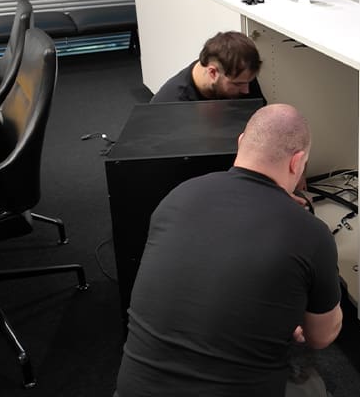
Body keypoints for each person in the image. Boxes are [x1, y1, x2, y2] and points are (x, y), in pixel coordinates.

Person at [115, 104, 343, 397]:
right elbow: (321, 336)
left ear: (240, 143)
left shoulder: (178, 196)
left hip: (133, 391)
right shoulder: (310, 233)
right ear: (296, 162)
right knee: (312, 384)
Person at [150, 30, 266, 103]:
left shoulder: (240, 75)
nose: (246, 91)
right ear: (212, 72)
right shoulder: (172, 102)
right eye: (237, 84)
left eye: (249, 82)